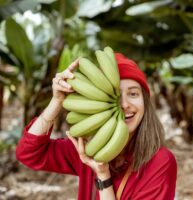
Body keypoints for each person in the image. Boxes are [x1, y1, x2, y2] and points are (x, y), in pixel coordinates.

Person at [16, 53, 177, 200]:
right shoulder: (87, 148)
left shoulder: (160, 162)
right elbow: (29, 153)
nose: (124, 104)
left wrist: (103, 176)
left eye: (133, 93)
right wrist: (56, 101)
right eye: (116, 96)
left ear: (145, 102)